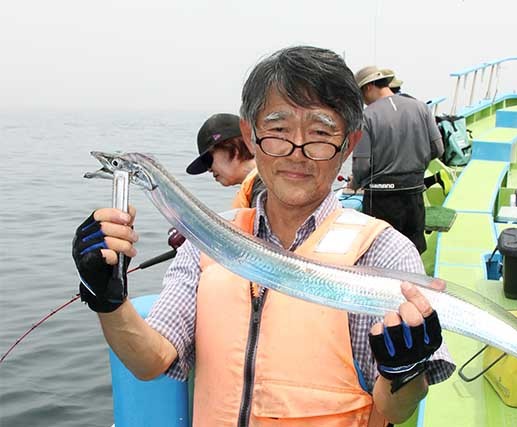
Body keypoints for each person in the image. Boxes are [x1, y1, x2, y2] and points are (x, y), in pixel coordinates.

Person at [72, 46, 454, 426]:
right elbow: (151, 359)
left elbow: (396, 410)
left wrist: (403, 372)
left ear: (348, 145)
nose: (297, 152)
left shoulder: (383, 252)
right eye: (278, 130)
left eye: (320, 133)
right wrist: (108, 301)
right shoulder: (208, 241)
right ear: (250, 136)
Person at [351, 66, 444, 254]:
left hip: (381, 198)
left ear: (368, 87)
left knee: (382, 252)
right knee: (413, 249)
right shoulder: (421, 107)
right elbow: (438, 149)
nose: (363, 101)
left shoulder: (366, 117)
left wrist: (355, 183)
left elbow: (362, 165)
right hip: (414, 192)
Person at [186, 112, 265, 208]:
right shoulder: (259, 185)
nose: (209, 170)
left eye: (208, 160)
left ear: (234, 148)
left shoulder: (264, 189)